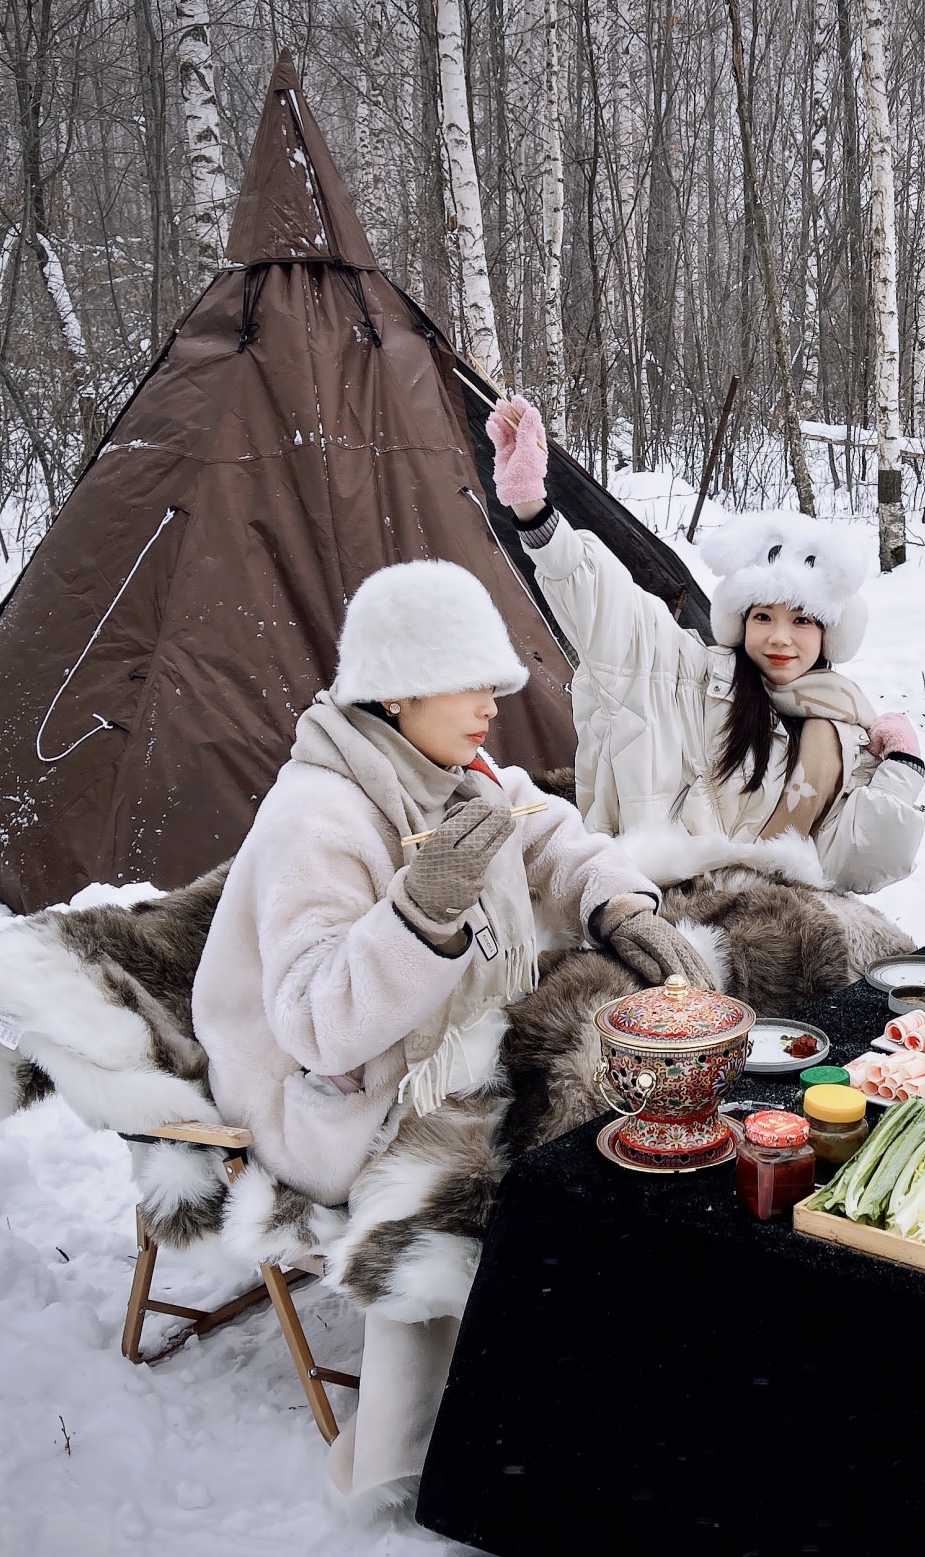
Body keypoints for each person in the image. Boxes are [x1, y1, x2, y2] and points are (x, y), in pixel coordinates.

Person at [191, 558, 710, 1509]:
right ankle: (422, 1457)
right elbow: (315, 1024)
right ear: (392, 692)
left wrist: (616, 907)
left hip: (432, 1051)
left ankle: (583, 1375)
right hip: (323, 1100)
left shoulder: (453, 774)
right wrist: (419, 918)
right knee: (487, 1170)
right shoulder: (320, 812)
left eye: (493, 682)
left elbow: (549, 833)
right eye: (467, 683)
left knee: (606, 1115)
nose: (491, 706)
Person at [480, 396, 925, 894]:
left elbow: (861, 862)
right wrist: (531, 507)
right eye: (763, 616)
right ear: (741, 621)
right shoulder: (681, 672)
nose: (780, 637)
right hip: (656, 902)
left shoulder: (846, 731)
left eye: (801, 620)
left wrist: (900, 769)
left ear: (827, 634)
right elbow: (611, 608)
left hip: (769, 924)